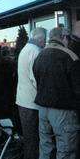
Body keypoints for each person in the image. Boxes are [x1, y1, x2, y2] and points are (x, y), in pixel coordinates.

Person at [33, 27, 80, 159]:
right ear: (64, 37)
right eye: (68, 38)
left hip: (42, 110)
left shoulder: (40, 55)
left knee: (45, 147)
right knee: (66, 150)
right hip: (63, 112)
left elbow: (37, 79)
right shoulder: (70, 56)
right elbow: (77, 88)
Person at [16, 27, 47, 159]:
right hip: (32, 104)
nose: (45, 43)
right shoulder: (36, 52)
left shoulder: (25, 49)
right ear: (40, 39)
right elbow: (36, 79)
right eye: (44, 40)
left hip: (23, 101)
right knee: (34, 140)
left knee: (29, 139)